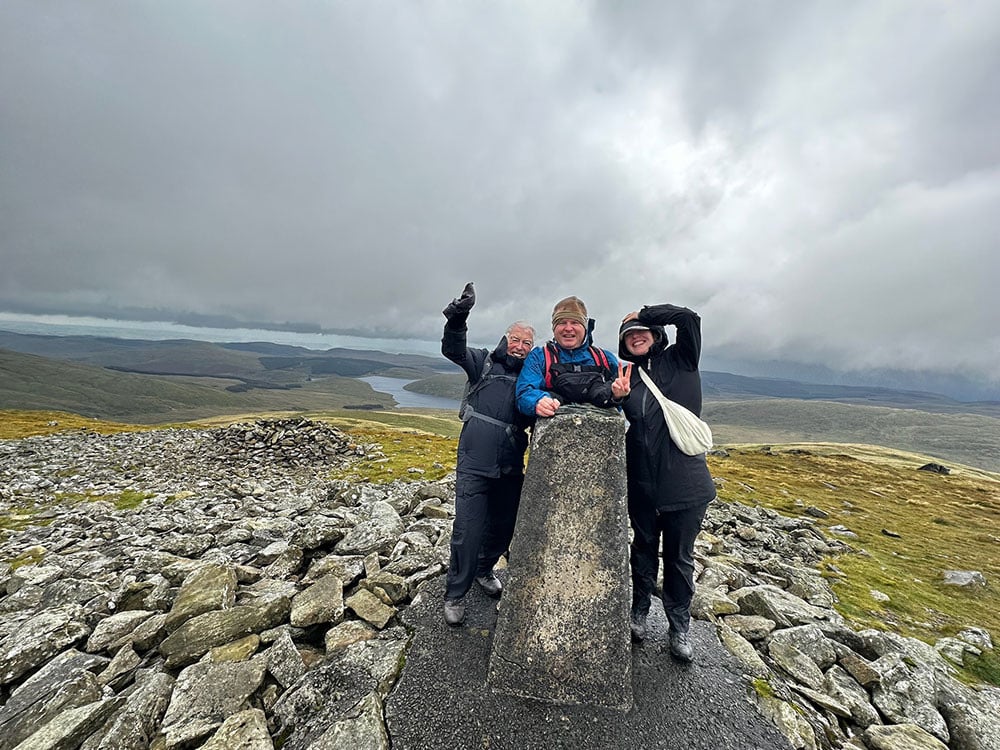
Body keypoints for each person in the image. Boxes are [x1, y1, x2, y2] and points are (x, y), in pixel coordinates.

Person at [617, 303, 716, 662]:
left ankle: (679, 627)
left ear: (657, 333)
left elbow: (689, 319)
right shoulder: (627, 376)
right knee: (642, 550)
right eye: (629, 335)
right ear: (624, 344)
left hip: (686, 486)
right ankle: (638, 612)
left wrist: (645, 312)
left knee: (679, 559)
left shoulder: (682, 360)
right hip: (643, 485)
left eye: (642, 331)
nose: (636, 337)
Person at [441, 282, 536, 626]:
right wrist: (459, 315)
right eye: (516, 340)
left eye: (528, 343)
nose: (521, 347)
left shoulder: (532, 377)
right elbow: (454, 349)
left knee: (505, 527)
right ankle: (455, 594)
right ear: (505, 338)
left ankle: (484, 569)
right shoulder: (482, 362)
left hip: (509, 467)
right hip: (474, 465)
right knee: (467, 530)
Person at [516, 296, 630, 418]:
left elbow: (621, 401)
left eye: (575, 322)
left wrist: (617, 394)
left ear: (585, 328)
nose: (568, 328)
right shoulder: (540, 356)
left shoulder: (604, 359)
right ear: (554, 328)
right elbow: (524, 392)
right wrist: (537, 402)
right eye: (562, 323)